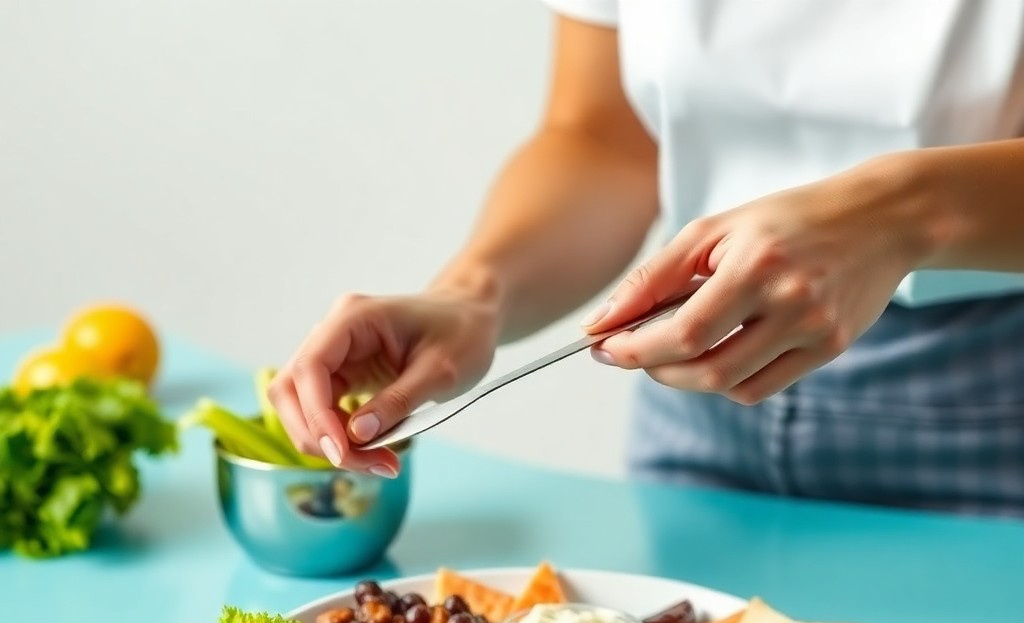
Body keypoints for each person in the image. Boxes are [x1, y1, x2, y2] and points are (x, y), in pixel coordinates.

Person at [269, 1, 1024, 515]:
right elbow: (603, 139)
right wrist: (474, 295)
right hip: (695, 406)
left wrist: (903, 212)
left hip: (990, 412)